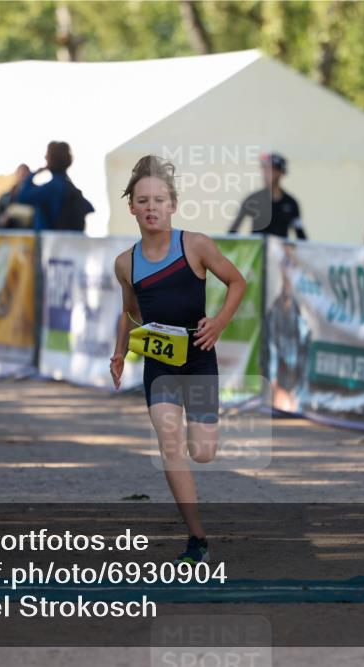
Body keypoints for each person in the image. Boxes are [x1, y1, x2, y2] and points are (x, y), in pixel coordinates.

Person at [110, 156, 246, 565]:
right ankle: (197, 539)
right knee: (170, 444)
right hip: (160, 363)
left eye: (159, 200)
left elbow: (237, 281)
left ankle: (198, 442)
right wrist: (120, 351)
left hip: (199, 357)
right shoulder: (125, 263)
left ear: (172, 206)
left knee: (202, 452)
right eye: (143, 200)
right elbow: (130, 312)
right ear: (131, 207)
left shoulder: (196, 245)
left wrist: (219, 323)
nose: (151, 207)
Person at [16, 141, 93, 231]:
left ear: (51, 159)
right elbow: (89, 208)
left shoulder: (52, 187)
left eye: (47, 156)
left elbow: (22, 196)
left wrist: (33, 174)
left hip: (51, 241)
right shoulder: (68, 186)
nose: (45, 158)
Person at [228, 152, 307, 239]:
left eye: (271, 170)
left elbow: (300, 235)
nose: (266, 174)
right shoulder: (253, 199)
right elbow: (232, 231)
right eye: (264, 169)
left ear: (281, 173)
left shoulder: (291, 203)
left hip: (280, 251)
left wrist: (293, 248)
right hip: (258, 252)